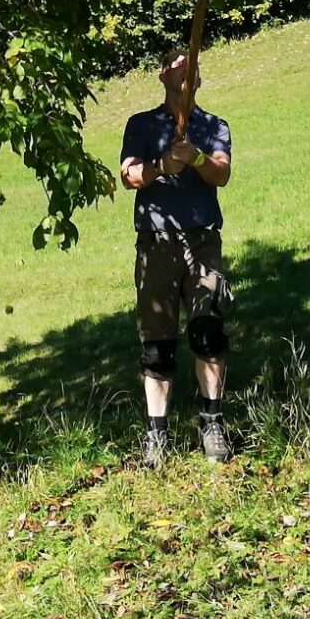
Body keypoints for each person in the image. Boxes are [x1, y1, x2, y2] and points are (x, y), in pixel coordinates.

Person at [119, 40, 235, 468]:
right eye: (175, 63)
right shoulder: (142, 125)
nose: (185, 70)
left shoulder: (212, 126)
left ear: (199, 79)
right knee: (157, 345)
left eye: (191, 65)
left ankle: (212, 425)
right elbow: (130, 174)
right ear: (163, 75)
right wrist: (161, 167)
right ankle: (157, 438)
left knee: (208, 333)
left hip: (202, 241)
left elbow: (221, 174)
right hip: (157, 244)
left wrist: (197, 157)